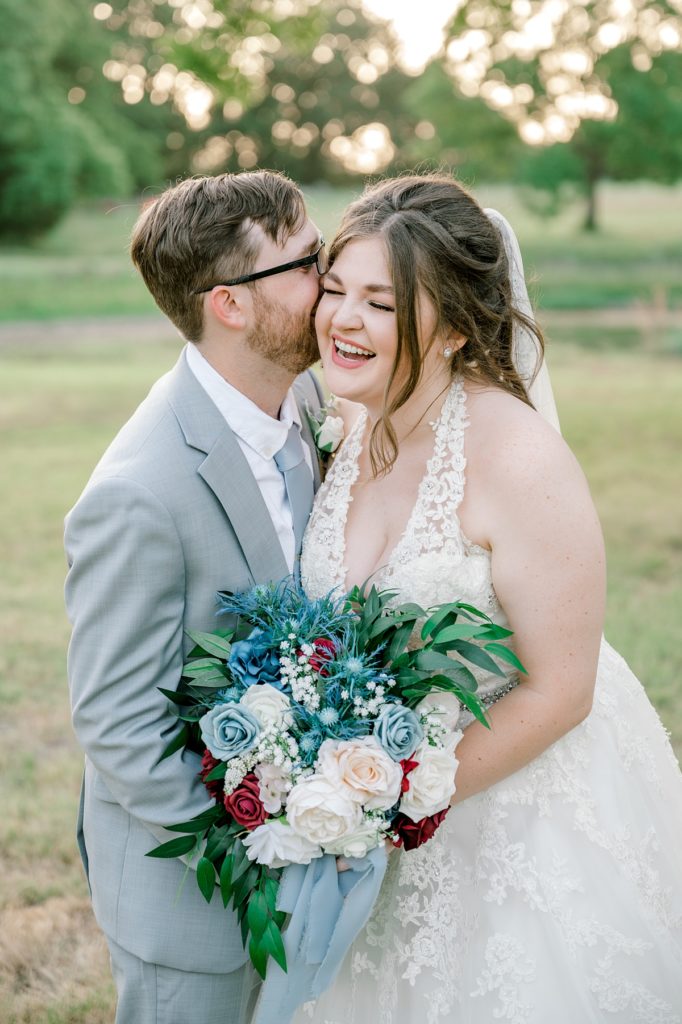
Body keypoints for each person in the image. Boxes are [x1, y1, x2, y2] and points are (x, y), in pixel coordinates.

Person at [297, 174, 682, 1022]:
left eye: (383, 304)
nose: (344, 322)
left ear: (456, 329)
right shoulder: (343, 426)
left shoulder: (518, 458)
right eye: (335, 291)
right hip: (364, 817)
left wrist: (393, 803)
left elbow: (561, 689)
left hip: (510, 817)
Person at [64, 170, 326, 1024]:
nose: (330, 280)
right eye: (305, 263)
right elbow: (116, 720)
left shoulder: (314, 400)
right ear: (231, 305)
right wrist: (263, 848)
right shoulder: (140, 493)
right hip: (195, 905)